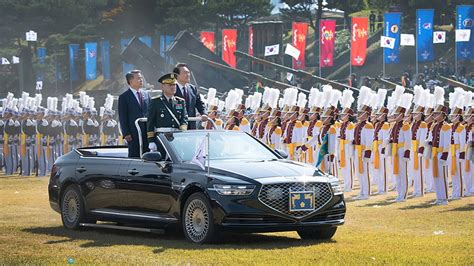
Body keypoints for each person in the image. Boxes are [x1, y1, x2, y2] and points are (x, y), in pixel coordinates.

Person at [147, 73, 188, 153]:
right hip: (161, 137)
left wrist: (183, 132)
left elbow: (184, 118)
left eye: (174, 85)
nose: (173, 87)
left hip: (176, 137)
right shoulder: (156, 101)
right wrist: (151, 140)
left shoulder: (180, 101)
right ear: (162, 86)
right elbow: (150, 122)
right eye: (169, 85)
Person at [118, 70, 150, 158]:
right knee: (135, 154)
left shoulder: (146, 94)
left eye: (141, 78)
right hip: (133, 132)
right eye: (138, 78)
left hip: (147, 131)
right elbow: (122, 116)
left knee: (148, 154)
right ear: (131, 81)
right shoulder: (124, 97)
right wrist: (126, 133)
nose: (141, 80)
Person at [173, 63, 207, 129]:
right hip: (177, 126)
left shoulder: (193, 89)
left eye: (188, 73)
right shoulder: (171, 88)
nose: (188, 75)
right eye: (185, 73)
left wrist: (204, 114)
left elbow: (199, 103)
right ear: (177, 75)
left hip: (191, 127)